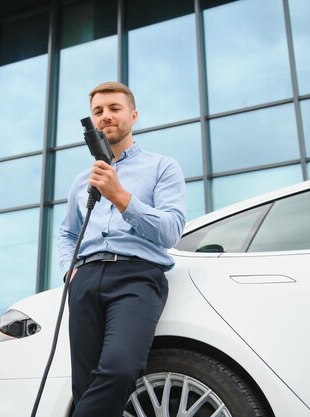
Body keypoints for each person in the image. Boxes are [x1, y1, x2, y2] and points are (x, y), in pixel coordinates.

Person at [58, 81, 187, 417]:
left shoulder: (163, 167)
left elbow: (171, 231)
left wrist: (121, 196)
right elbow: (67, 234)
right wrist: (69, 273)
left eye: (114, 108)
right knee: (84, 386)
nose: (106, 116)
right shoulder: (81, 180)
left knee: (119, 370)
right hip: (85, 280)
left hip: (136, 277)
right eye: (98, 111)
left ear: (133, 114)